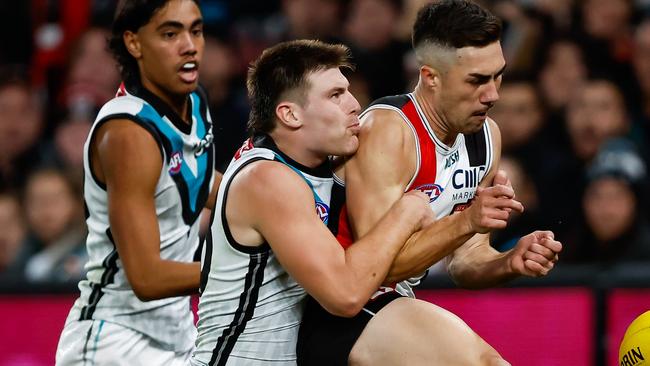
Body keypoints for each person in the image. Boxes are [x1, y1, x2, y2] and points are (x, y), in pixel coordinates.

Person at [297, 1, 563, 365]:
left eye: (497, 75)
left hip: (392, 307)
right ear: (431, 76)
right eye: (476, 80)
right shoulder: (389, 131)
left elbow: (464, 262)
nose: (493, 94)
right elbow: (376, 269)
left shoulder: (486, 137)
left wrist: (507, 262)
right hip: (336, 312)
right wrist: (468, 220)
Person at [191, 39, 432, 366]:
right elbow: (345, 295)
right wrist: (408, 210)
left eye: (347, 91)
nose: (354, 104)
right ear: (289, 114)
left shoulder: (314, 165)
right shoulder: (267, 179)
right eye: (335, 95)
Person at [56, 0, 221, 364]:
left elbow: (199, 182)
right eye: (170, 33)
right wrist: (241, 267)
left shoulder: (194, 102)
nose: (189, 45)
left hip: (177, 333)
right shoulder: (128, 133)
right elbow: (147, 277)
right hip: (113, 341)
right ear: (134, 43)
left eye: (196, 30)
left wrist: (282, 206)